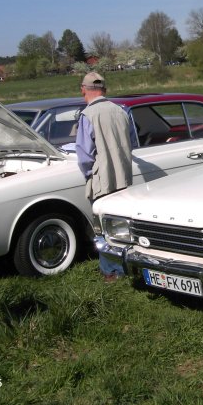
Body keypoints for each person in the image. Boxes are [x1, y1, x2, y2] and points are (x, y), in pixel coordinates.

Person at [75, 71, 133, 281]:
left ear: (84, 90)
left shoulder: (88, 115)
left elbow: (84, 155)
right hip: (124, 177)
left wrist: (90, 174)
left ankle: (111, 271)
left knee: (104, 227)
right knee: (123, 225)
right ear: (104, 90)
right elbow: (131, 143)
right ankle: (127, 266)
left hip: (103, 179)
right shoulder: (121, 111)